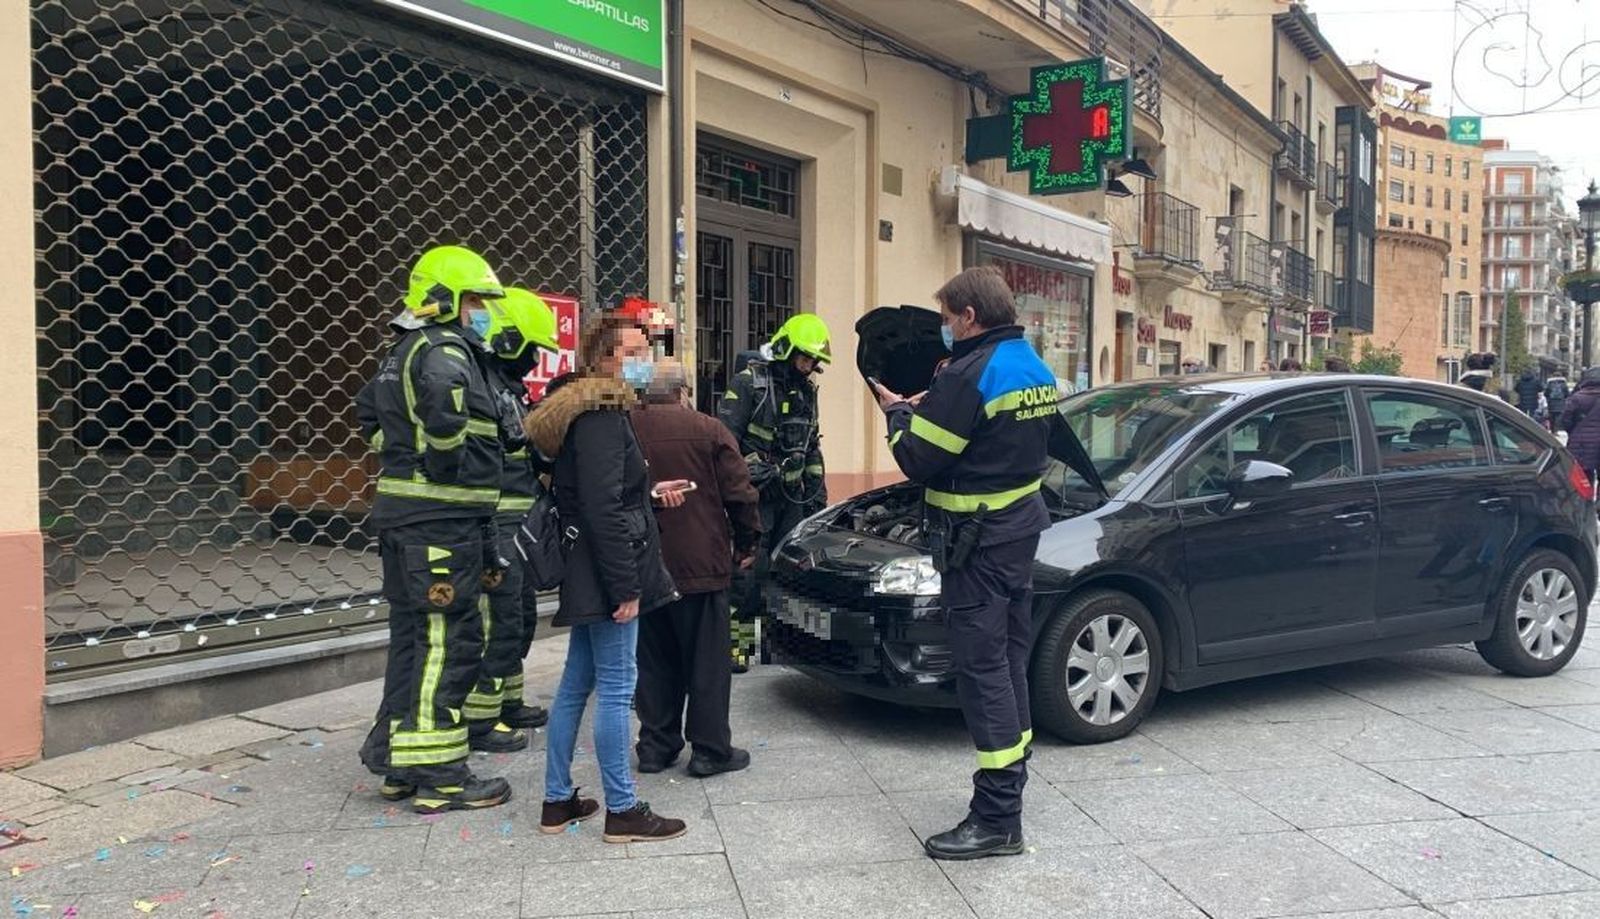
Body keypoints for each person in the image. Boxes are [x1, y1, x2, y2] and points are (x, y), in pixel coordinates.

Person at [870, 266, 1056, 861]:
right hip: (1017, 533)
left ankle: (997, 817)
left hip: (976, 544)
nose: (946, 327)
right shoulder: (1032, 364)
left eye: (949, 317)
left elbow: (918, 459)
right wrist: (940, 404)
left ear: (970, 317)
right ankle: (1014, 779)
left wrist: (897, 413)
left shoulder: (967, 375)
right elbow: (996, 439)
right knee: (1009, 659)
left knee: (982, 671)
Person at [355, 245, 513, 814]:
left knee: (413, 642)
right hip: (440, 521)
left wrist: (404, 452)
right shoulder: (444, 348)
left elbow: (369, 415)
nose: (482, 313)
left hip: (410, 519)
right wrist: (444, 460)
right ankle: (440, 774)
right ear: (446, 300)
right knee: (450, 641)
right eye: (476, 302)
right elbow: (445, 411)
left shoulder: (401, 350)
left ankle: (398, 763)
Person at [524, 315, 686, 843]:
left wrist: (649, 495)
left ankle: (557, 800)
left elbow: (603, 495)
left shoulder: (593, 410)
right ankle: (623, 808)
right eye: (633, 351)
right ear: (604, 359)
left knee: (577, 683)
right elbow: (601, 508)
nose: (644, 360)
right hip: (606, 571)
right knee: (617, 688)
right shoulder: (601, 414)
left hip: (590, 566)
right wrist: (626, 587)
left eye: (647, 350)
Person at [630, 359, 763, 777]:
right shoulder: (710, 430)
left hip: (646, 564)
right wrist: (747, 543)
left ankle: (655, 746)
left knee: (653, 661)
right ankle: (709, 750)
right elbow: (740, 493)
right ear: (683, 391)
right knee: (707, 662)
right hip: (701, 565)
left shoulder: (625, 427)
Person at [459, 288, 562, 752]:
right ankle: (481, 720)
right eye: (531, 348)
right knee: (498, 620)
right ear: (507, 340)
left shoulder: (508, 389)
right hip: (496, 522)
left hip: (517, 521)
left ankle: (507, 701)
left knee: (519, 617)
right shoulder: (483, 387)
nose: (534, 359)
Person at [718, 313, 831, 672]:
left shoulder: (807, 392)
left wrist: (817, 495)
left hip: (790, 499)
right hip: (755, 498)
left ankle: (769, 642)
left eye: (813, 360)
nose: (808, 366)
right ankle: (735, 646)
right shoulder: (749, 384)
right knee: (748, 575)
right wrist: (744, 481)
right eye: (804, 357)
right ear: (786, 350)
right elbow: (724, 444)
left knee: (783, 572)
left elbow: (811, 446)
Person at [1560, 367, 1600, 483]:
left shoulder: (1576, 398)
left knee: (1584, 476)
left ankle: (1587, 493)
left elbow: (1565, 419)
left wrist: (1574, 431)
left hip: (1581, 443)